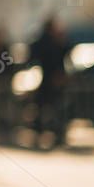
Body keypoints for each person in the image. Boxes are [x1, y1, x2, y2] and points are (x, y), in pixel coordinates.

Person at [28, 16, 70, 147]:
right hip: (51, 78)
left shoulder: (47, 41)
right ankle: (53, 132)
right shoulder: (51, 42)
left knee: (46, 107)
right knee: (53, 108)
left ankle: (45, 132)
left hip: (48, 78)